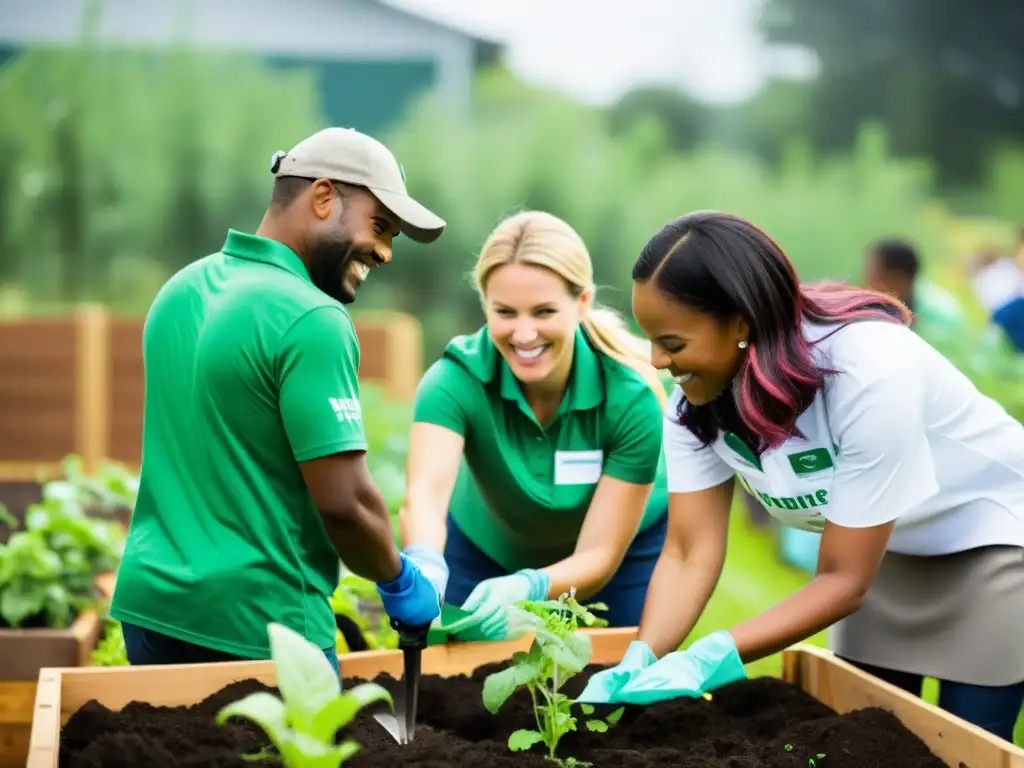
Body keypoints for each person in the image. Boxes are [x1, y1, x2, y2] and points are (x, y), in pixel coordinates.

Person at [578, 211, 1024, 743]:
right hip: (883, 549)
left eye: (671, 343)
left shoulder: (867, 368)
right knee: (867, 742)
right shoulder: (692, 406)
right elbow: (688, 552)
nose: (656, 361)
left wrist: (708, 657)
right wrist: (644, 655)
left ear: (740, 322)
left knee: (965, 745)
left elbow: (842, 578)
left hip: (991, 540)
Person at [110, 127, 448, 671]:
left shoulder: (182, 290)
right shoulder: (312, 318)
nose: (385, 252)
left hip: (152, 610)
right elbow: (346, 504)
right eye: (380, 226)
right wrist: (398, 578)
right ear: (322, 197)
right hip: (263, 626)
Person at [398, 210, 670, 641]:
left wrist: (530, 586)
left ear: (582, 303)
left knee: (614, 682)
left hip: (623, 550)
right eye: (504, 312)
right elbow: (425, 495)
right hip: (485, 544)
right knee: (458, 688)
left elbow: (599, 553)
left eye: (543, 311)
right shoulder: (453, 381)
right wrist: (426, 563)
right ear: (484, 304)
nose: (524, 334)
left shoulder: (630, 398)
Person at [863, 237, 967, 349]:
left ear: (897, 278)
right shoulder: (899, 302)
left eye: (875, 277)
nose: (869, 285)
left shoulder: (937, 318)